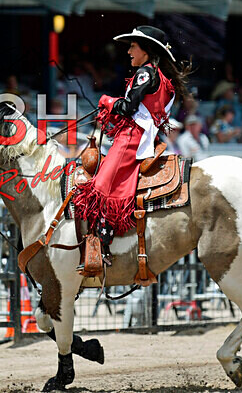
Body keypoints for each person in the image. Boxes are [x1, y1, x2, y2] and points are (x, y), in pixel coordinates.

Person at [72, 26, 187, 251]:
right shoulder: (161, 77)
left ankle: (100, 244)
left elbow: (128, 107)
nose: (129, 51)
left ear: (146, 50)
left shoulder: (145, 73)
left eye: (133, 46)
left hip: (131, 138)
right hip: (143, 136)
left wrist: (106, 101)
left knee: (100, 188)